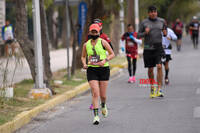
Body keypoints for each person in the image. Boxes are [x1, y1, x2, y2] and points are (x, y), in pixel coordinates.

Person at [81, 24, 115, 125]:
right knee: (95, 93)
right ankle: (96, 116)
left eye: (96, 32)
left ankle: (103, 105)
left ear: (99, 33)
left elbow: (112, 53)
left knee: (103, 95)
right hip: (92, 70)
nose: (94, 33)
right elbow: (83, 57)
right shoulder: (86, 45)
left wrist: (105, 60)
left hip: (104, 69)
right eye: (93, 32)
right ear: (89, 33)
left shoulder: (103, 42)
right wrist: (84, 64)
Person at [137, 5, 166, 98]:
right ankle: (152, 87)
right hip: (148, 48)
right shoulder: (144, 22)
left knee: (159, 67)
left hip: (158, 47)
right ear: (148, 13)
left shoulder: (162, 21)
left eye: (155, 11)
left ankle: (159, 89)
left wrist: (165, 33)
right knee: (150, 69)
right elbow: (138, 35)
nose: (153, 13)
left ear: (156, 12)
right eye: (151, 12)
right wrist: (145, 32)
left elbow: (165, 32)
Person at [88, 19, 113, 110]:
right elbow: (87, 48)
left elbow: (111, 51)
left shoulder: (104, 37)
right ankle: (94, 101)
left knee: (102, 90)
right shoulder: (90, 36)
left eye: (98, 25)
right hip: (93, 65)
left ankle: (102, 103)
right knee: (94, 86)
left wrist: (104, 58)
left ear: (101, 27)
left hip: (103, 65)